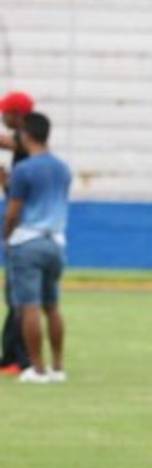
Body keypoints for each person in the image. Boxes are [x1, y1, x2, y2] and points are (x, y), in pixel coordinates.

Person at [3, 112, 71, 384]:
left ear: (27, 135)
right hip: (55, 241)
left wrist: (6, 236)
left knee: (28, 307)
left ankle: (37, 368)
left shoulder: (24, 169)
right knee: (52, 306)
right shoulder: (62, 168)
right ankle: (57, 366)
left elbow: (14, 211)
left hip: (28, 241)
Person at [0, 89, 34, 375]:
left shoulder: (26, 145)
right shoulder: (27, 147)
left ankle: (19, 359)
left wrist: (3, 181)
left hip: (23, 231)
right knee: (14, 296)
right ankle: (12, 356)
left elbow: (18, 199)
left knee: (18, 297)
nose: (2, 117)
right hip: (25, 230)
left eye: (5, 113)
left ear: (18, 115)